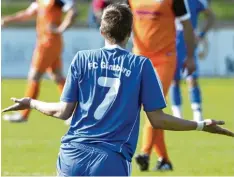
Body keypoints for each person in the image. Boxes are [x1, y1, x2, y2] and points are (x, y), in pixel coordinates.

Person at [2, 4, 233, 176]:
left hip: (71, 157)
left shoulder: (81, 59)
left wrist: (31, 102)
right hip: (110, 161)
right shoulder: (141, 65)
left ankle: (161, 156)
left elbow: (62, 111)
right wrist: (201, 125)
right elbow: (158, 119)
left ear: (102, 31)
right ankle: (158, 156)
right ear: (130, 33)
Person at [127, 0, 196, 171]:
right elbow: (121, 19)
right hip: (139, 57)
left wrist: (191, 56)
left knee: (153, 105)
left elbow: (187, 25)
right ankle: (164, 159)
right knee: (146, 107)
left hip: (165, 58)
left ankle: (144, 153)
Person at [2, 0, 78, 123]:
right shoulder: (40, 1)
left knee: (34, 76)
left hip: (48, 44)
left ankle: (23, 114)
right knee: (57, 76)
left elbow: (73, 11)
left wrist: (61, 28)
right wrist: (8, 20)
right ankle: (73, 112)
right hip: (45, 42)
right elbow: (27, 14)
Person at [170, 0, 215, 121]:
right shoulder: (167, 2)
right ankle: (177, 113)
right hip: (171, 43)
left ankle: (197, 112)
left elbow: (210, 16)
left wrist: (201, 34)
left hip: (188, 43)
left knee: (192, 78)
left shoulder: (195, 1)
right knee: (174, 80)